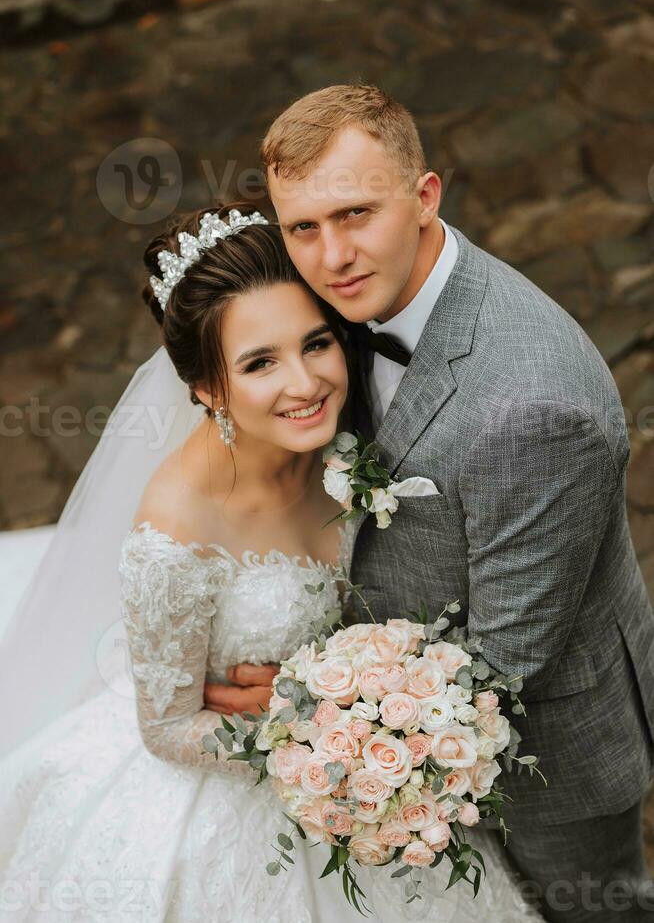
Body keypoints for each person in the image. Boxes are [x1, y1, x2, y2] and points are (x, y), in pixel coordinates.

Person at [0, 203, 542, 921]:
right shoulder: (176, 529)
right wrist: (326, 727)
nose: (306, 383)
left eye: (315, 344)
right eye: (259, 363)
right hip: (244, 787)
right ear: (206, 389)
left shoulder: (352, 435)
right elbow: (164, 729)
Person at [254, 83, 654, 921]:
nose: (332, 257)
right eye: (304, 228)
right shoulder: (334, 305)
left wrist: (305, 715)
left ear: (425, 196)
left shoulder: (537, 408)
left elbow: (506, 660)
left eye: (357, 213)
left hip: (547, 755)